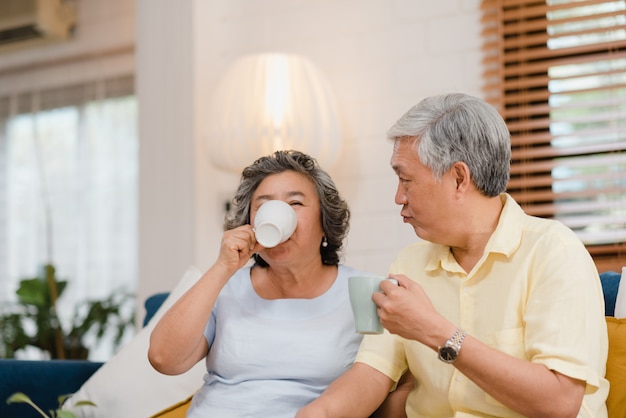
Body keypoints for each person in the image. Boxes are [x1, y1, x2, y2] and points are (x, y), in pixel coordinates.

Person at [297, 93, 609, 418]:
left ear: (459, 179)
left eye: (406, 180)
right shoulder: (409, 264)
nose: (397, 197)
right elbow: (371, 372)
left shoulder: (553, 252)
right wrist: (317, 413)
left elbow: (559, 403)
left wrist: (434, 331)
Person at [148, 150, 401, 417]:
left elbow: (380, 383)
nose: (279, 214)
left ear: (325, 222)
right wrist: (223, 267)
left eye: (295, 203)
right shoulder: (226, 288)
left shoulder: (364, 290)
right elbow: (164, 359)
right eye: (264, 205)